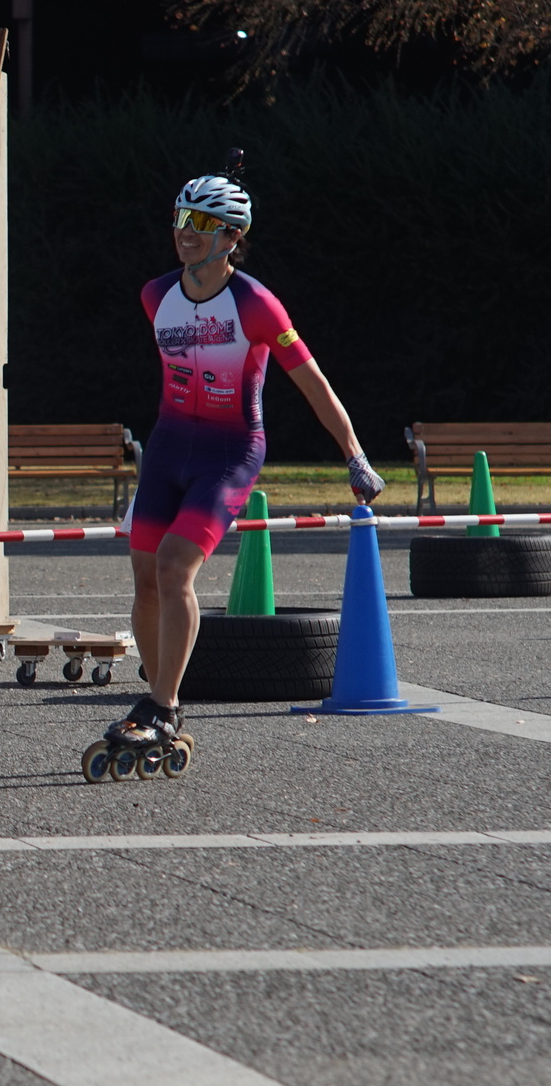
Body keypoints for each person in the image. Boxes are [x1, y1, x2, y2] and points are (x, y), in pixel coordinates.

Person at [107, 172, 384, 758]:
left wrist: (355, 454)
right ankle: (157, 701)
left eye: (204, 223)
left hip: (230, 451)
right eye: (182, 218)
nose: (186, 232)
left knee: (175, 567)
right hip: (169, 445)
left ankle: (163, 705)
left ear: (234, 236)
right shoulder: (155, 295)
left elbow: (313, 383)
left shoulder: (256, 304)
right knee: (145, 577)